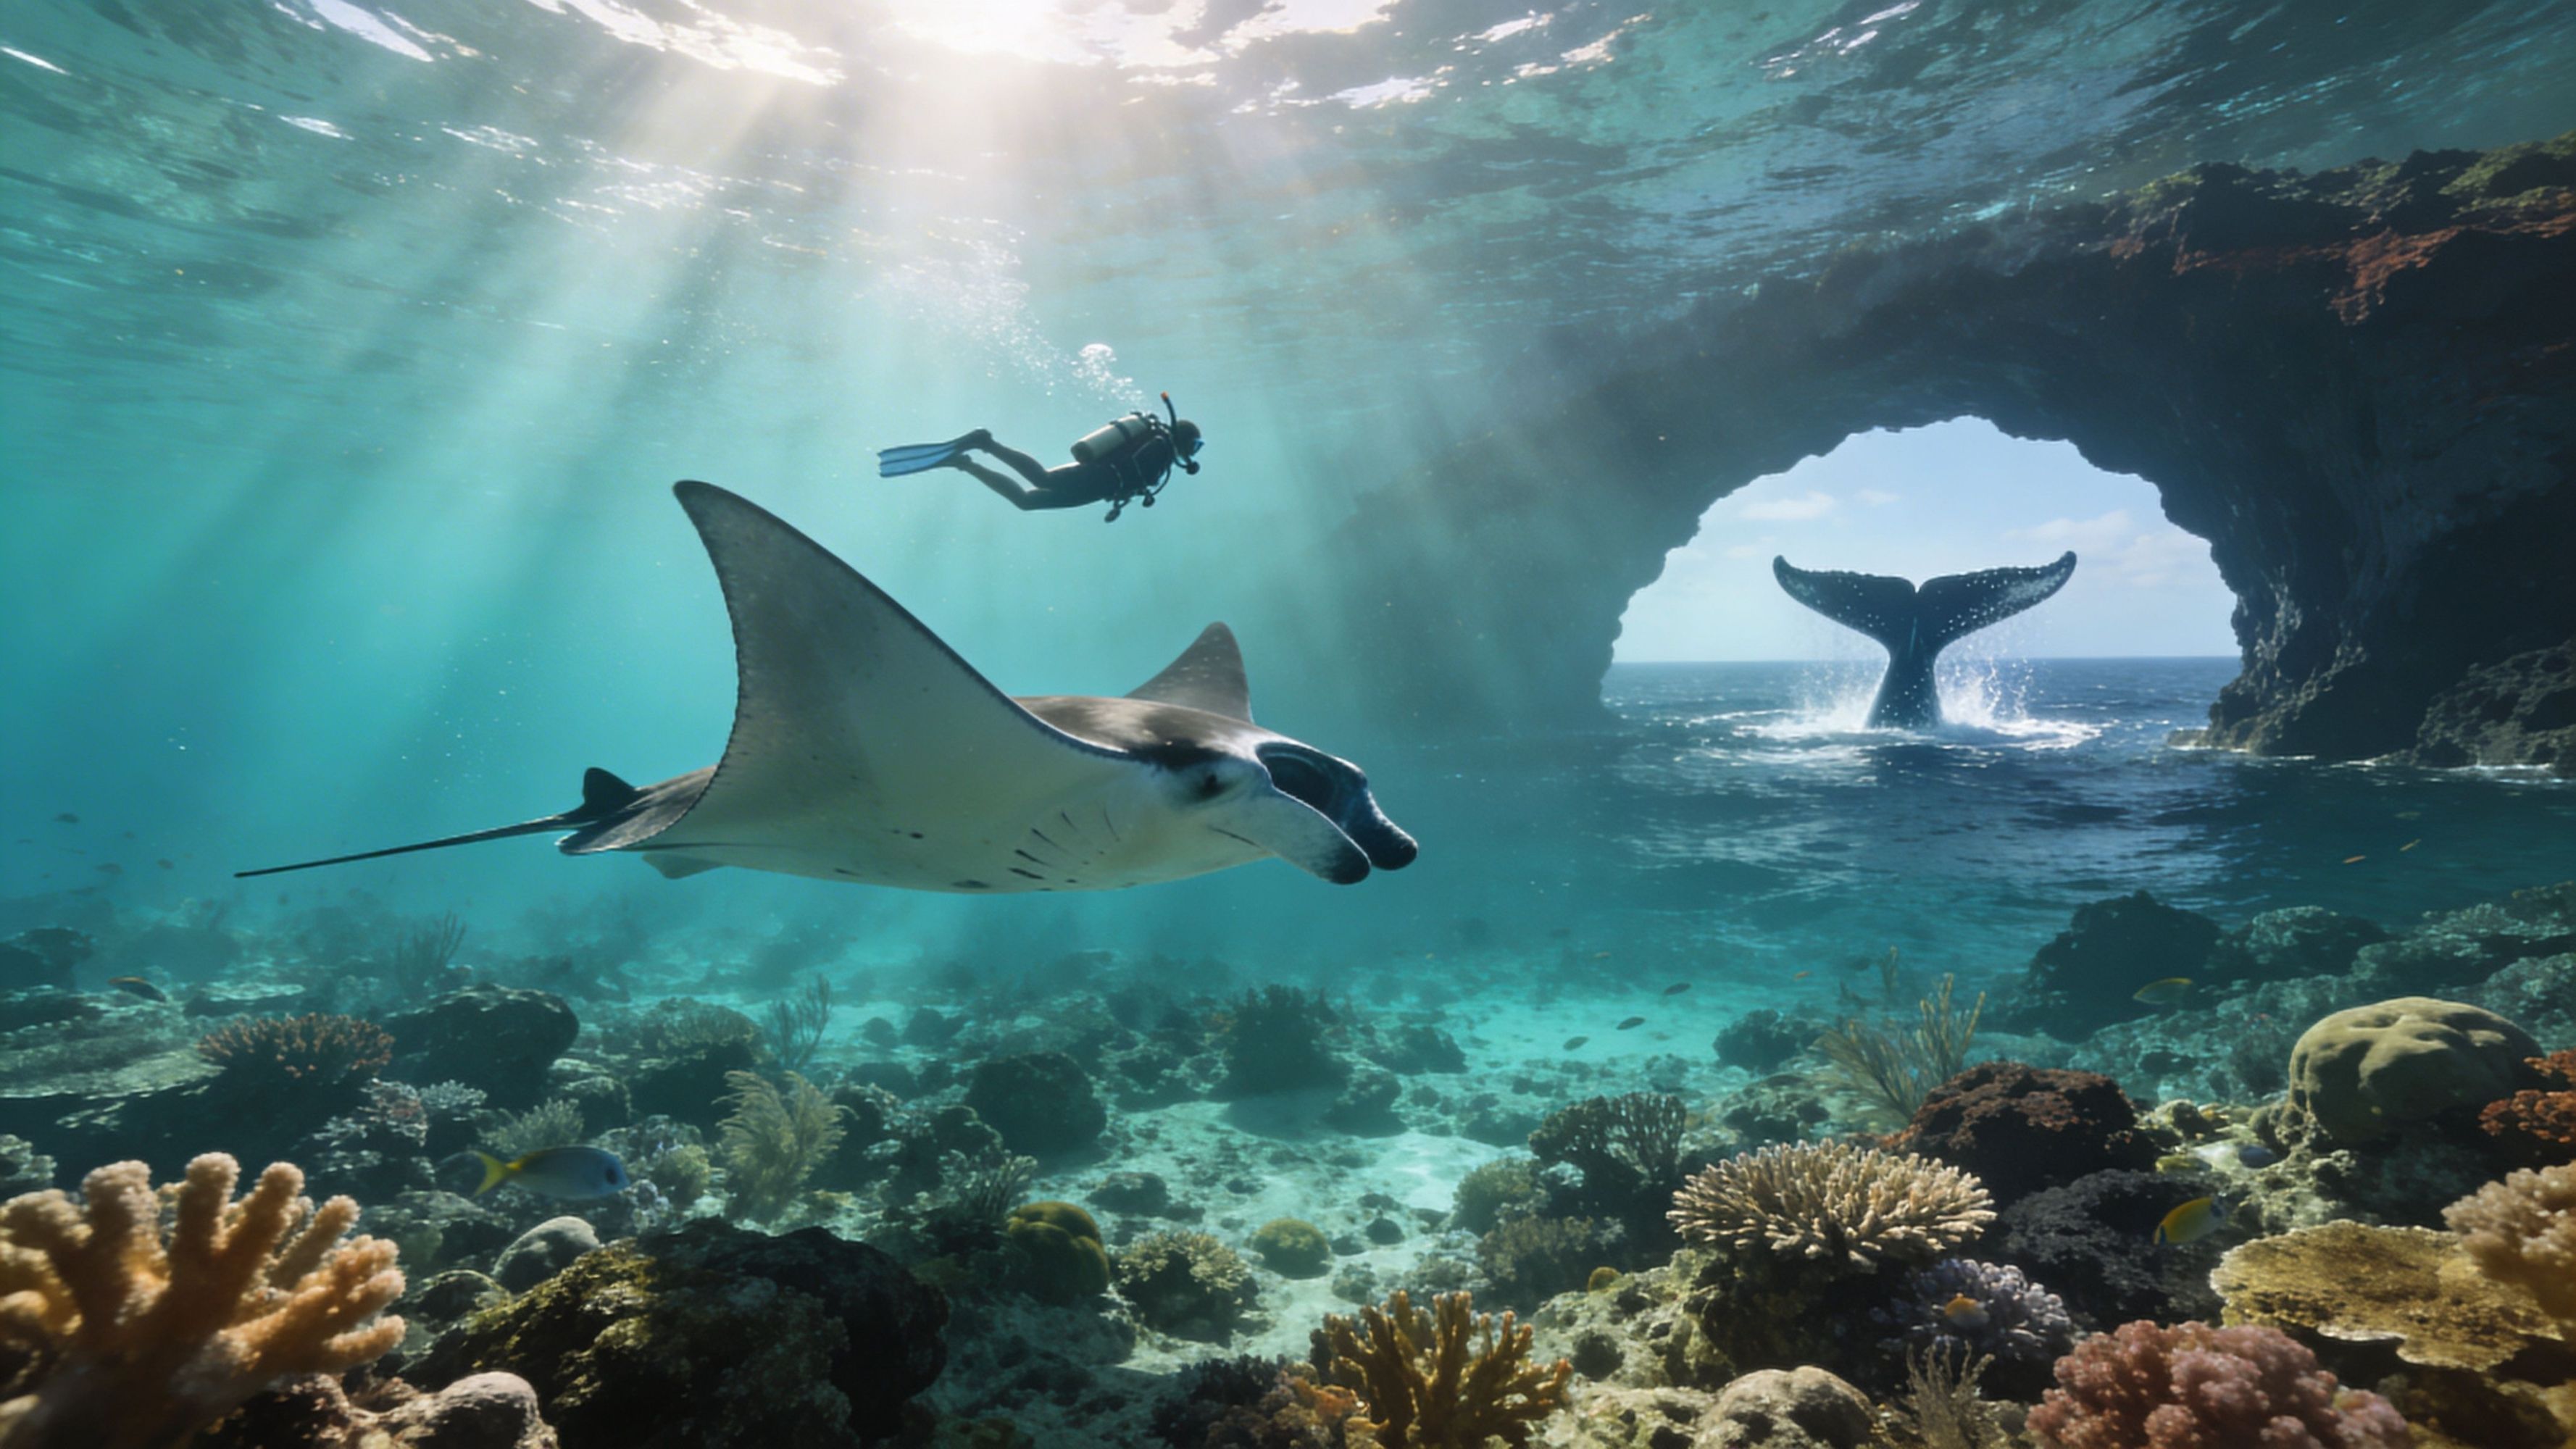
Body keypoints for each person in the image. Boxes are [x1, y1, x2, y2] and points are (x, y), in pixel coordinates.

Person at [878, 393, 1205, 521]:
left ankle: (967, 465)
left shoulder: (1162, 451)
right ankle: (985, 443)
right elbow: (1133, 469)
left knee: (1026, 502)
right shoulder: (1162, 447)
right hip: (1099, 479)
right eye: (1195, 446)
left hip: (1098, 487)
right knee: (1042, 479)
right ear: (1184, 440)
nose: (1193, 454)